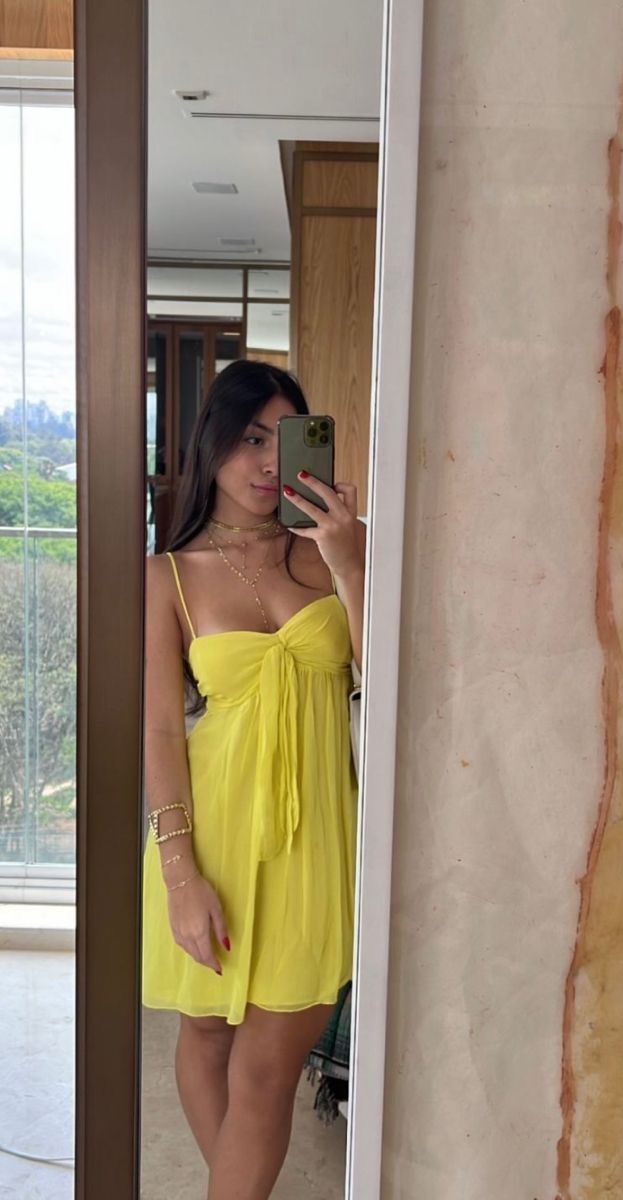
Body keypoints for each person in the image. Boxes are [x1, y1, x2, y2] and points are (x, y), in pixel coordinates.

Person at [141, 360, 365, 1200]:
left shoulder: (334, 550)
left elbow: (392, 687)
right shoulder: (168, 575)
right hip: (214, 836)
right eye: (250, 438)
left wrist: (349, 563)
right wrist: (180, 874)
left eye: (285, 439)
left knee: (266, 1068)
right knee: (205, 1035)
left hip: (318, 841)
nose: (269, 462)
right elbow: (161, 730)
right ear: (213, 445)